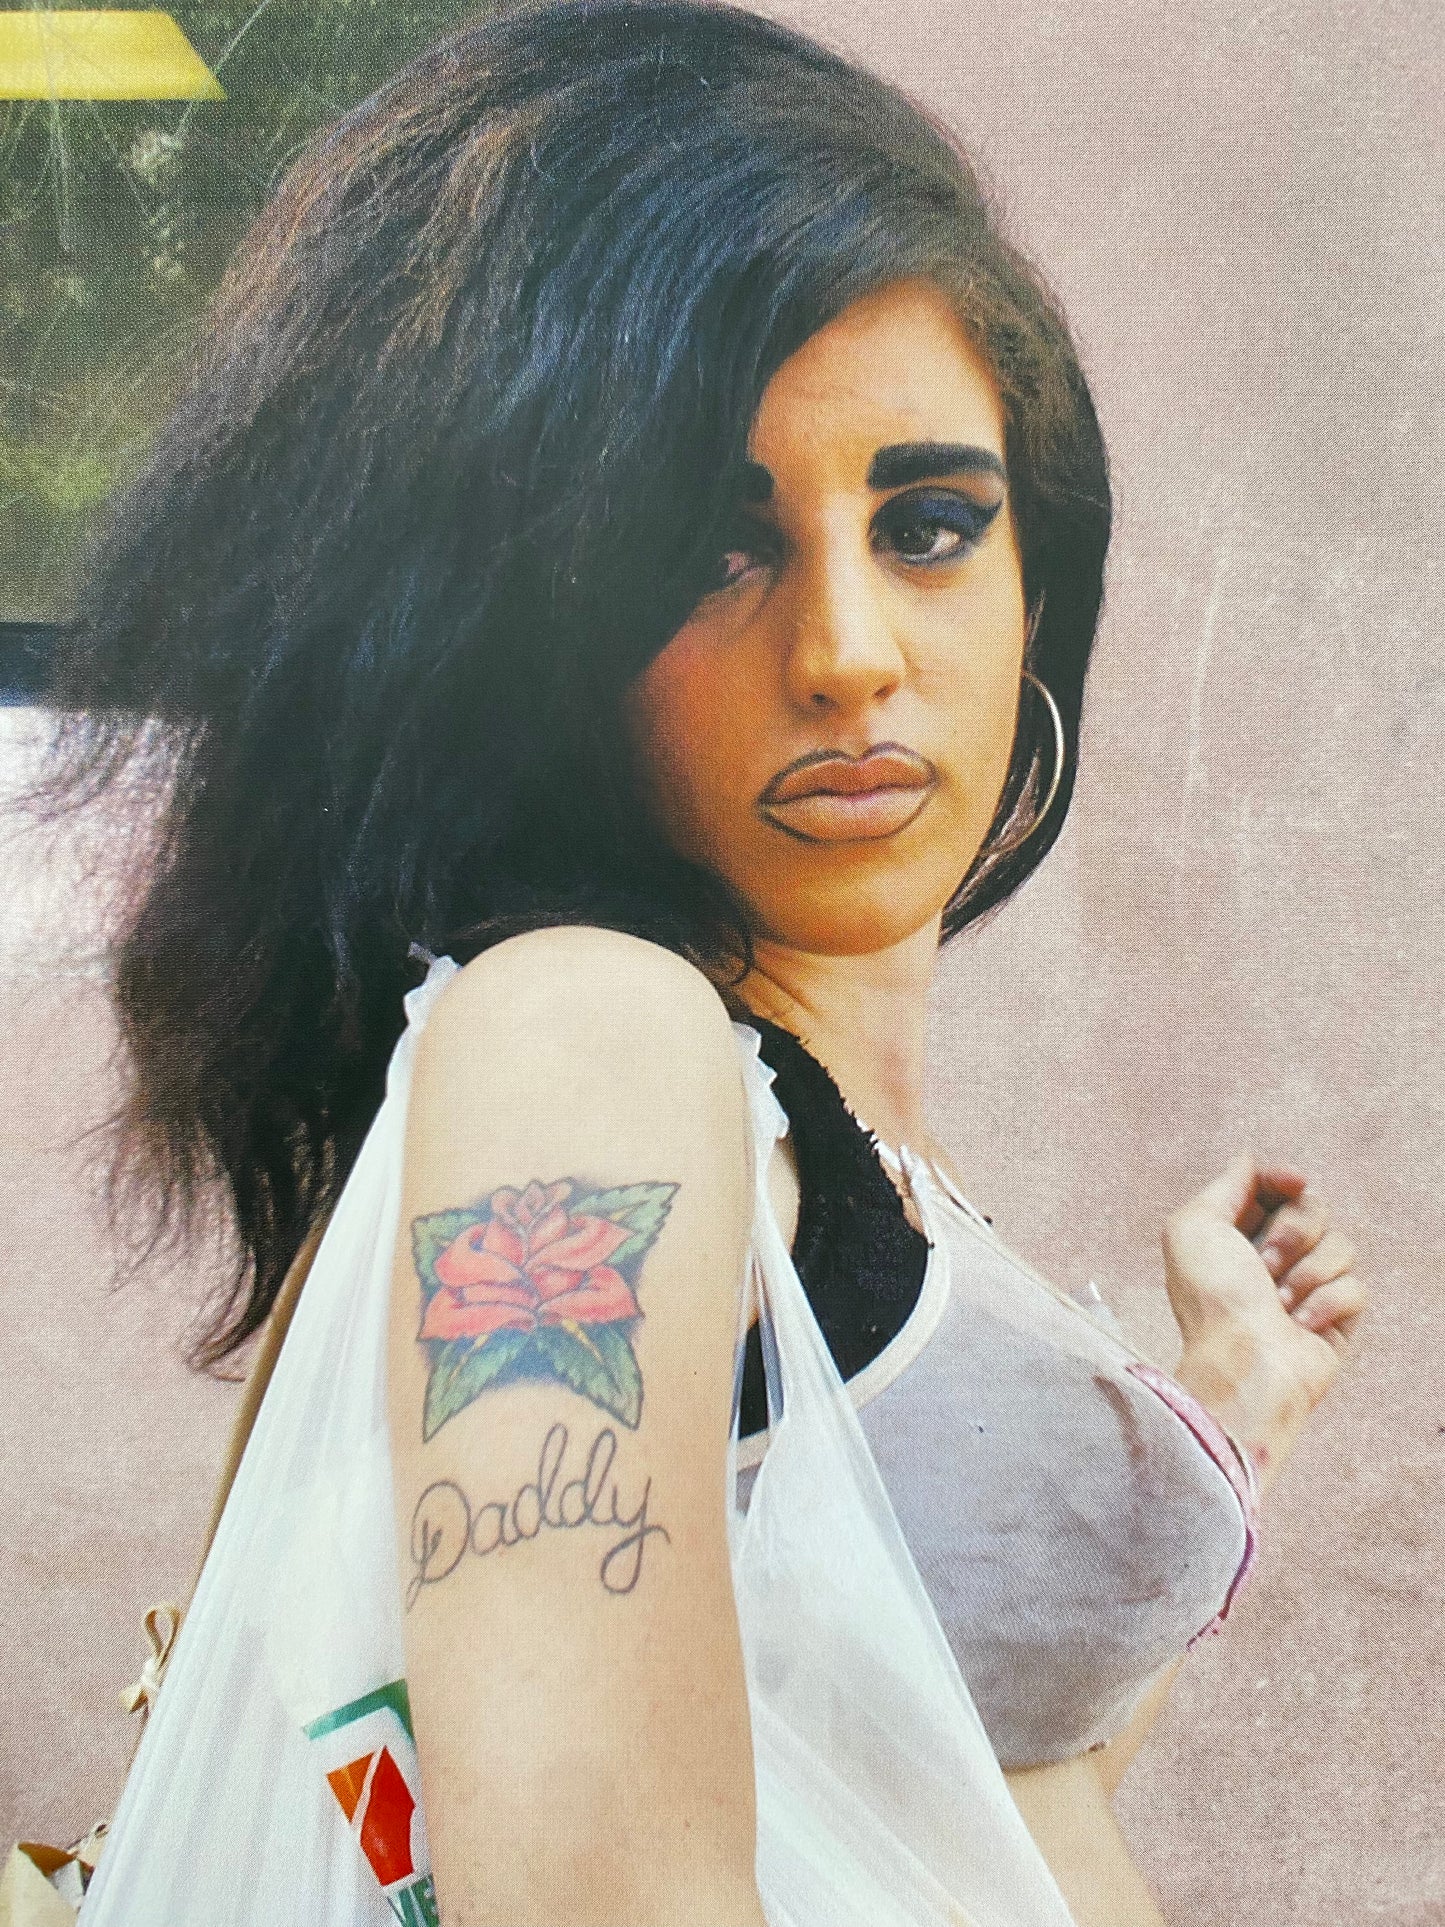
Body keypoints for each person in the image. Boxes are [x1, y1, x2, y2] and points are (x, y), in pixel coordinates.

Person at [30, 3, 1366, 1923]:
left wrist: (1232, 1395)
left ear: (1035, 573)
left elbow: (951, 1796)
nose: (847, 651)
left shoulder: (797, 1116)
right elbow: (583, 1884)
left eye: (929, 524)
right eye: (707, 552)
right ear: (517, 620)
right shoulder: (587, 1038)